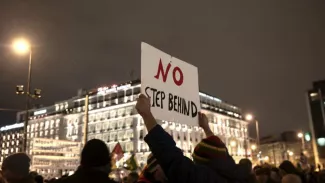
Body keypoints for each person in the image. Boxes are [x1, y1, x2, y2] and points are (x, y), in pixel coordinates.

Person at [135, 94, 232, 183]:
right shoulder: (236, 174)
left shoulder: (202, 178)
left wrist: (147, 115)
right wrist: (207, 129)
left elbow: (172, 159)